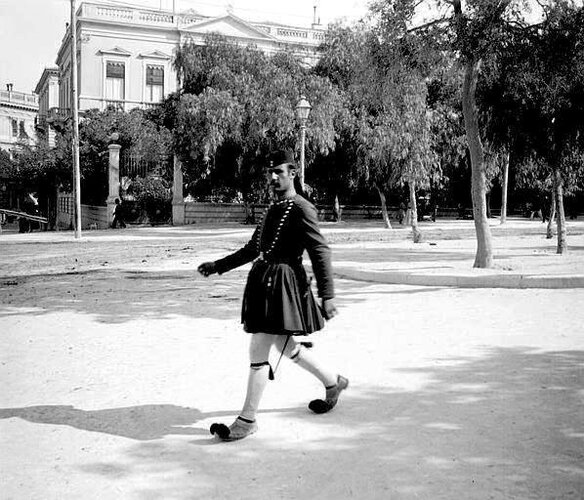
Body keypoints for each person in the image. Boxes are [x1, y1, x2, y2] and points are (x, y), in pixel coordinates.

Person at [198, 149, 348, 441]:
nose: (273, 177)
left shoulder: (303, 208)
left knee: (259, 348)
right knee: (285, 346)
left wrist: (327, 294)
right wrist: (218, 267)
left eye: (279, 171)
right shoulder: (272, 209)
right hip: (265, 284)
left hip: (283, 285)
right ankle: (333, 383)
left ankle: (246, 421)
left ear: (293, 173)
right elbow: (253, 249)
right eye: (271, 172)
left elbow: (319, 251)